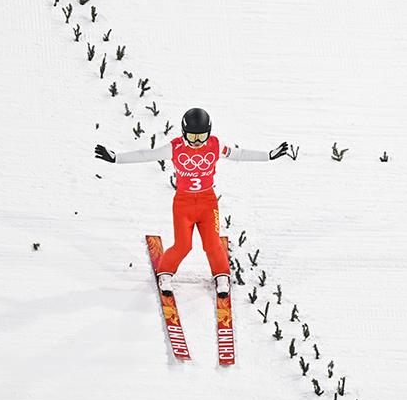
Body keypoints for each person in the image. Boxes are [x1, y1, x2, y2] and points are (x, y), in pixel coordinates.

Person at [95, 107, 288, 298]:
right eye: (192, 137)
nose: (197, 142)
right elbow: (147, 155)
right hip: (183, 203)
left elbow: (240, 154)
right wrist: (116, 158)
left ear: (209, 134)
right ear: (183, 132)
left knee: (212, 245)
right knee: (183, 245)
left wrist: (269, 155)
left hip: (208, 201)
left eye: (202, 137)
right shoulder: (175, 147)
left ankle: (221, 275)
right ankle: (165, 273)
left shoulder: (214, 145)